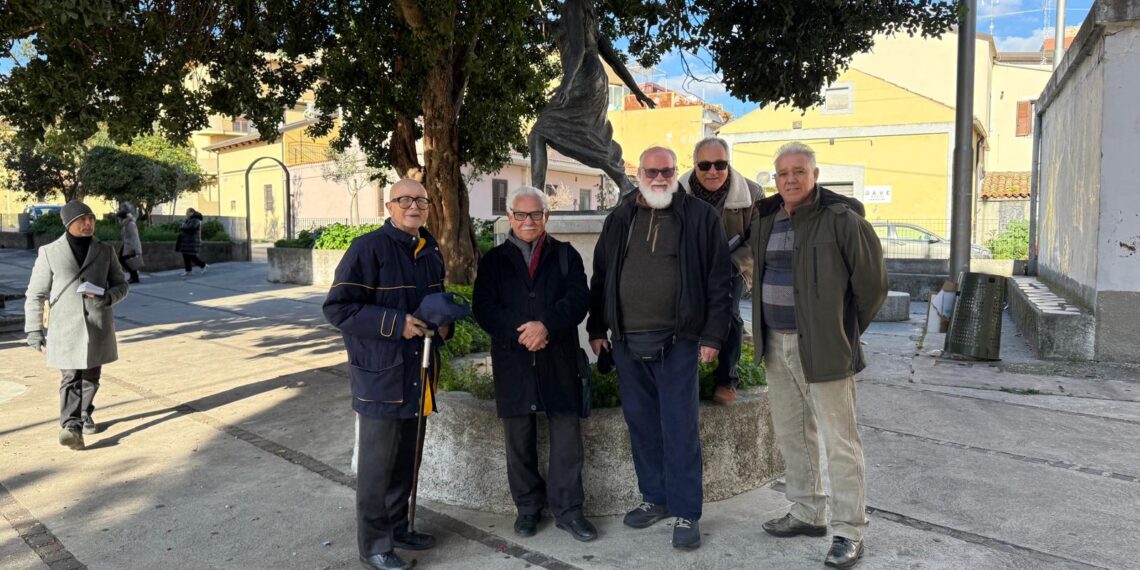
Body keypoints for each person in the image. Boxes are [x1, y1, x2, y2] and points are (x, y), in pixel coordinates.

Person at [585, 146, 733, 550]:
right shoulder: (620, 218)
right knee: (643, 427)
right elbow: (602, 275)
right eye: (652, 171)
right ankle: (655, 498)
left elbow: (720, 281)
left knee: (680, 430)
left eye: (667, 170)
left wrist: (712, 337)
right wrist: (597, 328)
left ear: (676, 172)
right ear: (639, 173)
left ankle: (686, 511)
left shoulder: (700, 217)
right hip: (628, 344)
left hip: (679, 344)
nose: (660, 178)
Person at [749, 142, 886, 569]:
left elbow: (872, 287)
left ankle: (849, 530)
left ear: (815, 174)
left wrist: (842, 331)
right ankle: (807, 512)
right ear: (775, 178)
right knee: (793, 435)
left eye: (799, 172)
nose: (790, 179)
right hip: (775, 342)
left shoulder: (841, 219)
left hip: (824, 347)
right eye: (783, 173)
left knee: (840, 443)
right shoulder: (765, 218)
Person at [323, 179, 450, 570]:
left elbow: (436, 300)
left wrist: (445, 324)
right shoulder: (368, 248)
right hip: (380, 376)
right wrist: (396, 324)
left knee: (405, 461)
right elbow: (339, 309)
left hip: (420, 370)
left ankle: (398, 527)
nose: (415, 206)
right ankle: (374, 545)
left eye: (422, 201)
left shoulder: (430, 250)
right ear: (389, 205)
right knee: (377, 469)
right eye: (405, 200)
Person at [472, 186, 596, 543]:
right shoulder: (493, 260)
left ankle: (570, 511)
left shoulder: (565, 255)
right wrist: (520, 333)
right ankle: (527, 509)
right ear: (509, 217)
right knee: (519, 440)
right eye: (521, 215)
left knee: (567, 441)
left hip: (558, 359)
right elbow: (484, 307)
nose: (529, 221)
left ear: (547, 217)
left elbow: (578, 300)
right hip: (514, 361)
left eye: (536, 214)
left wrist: (546, 326)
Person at [24, 200, 130, 450]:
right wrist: (33, 329)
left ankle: (84, 412)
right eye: (82, 220)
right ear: (69, 223)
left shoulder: (105, 251)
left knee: (92, 376)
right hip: (66, 327)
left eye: (91, 219)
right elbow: (36, 294)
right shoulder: (49, 252)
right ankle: (71, 426)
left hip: (97, 325)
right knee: (71, 376)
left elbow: (122, 285)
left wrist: (108, 297)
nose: (88, 224)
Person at [528, 0, 655, 194]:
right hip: (596, 81)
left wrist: (565, 86)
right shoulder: (588, 13)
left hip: (582, 79)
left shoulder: (573, 5)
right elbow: (613, 60)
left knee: (539, 132)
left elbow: (578, 51)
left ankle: (536, 198)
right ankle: (625, 185)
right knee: (589, 135)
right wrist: (636, 90)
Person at [677, 137, 764, 405]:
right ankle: (683, 375)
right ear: (694, 166)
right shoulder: (676, 192)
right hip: (688, 266)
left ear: (728, 164)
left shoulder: (752, 193)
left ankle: (727, 379)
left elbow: (758, 240)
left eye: (720, 164)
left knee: (729, 314)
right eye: (704, 165)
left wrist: (734, 264)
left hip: (731, 264)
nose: (712, 171)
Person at [176, 208, 207, 276]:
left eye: (187, 212)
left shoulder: (196, 220)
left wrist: (183, 226)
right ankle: (188, 271)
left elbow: (191, 228)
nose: (186, 214)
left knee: (191, 256)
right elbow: (187, 227)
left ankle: (203, 265)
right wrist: (183, 226)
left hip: (192, 241)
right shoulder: (190, 220)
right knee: (186, 255)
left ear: (191, 212)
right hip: (187, 241)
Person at [117, 209, 143, 284]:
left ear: (122, 218)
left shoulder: (130, 224)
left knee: (128, 261)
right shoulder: (126, 224)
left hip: (131, 246)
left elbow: (134, 237)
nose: (118, 220)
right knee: (124, 260)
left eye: (119, 218)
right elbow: (125, 237)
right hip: (127, 245)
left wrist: (133, 249)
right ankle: (134, 276)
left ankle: (134, 277)